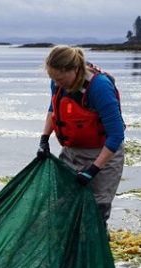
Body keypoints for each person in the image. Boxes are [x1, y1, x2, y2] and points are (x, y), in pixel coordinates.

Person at [37, 45, 125, 236]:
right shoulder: (59, 83)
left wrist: (94, 169)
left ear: (75, 70)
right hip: (71, 152)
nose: (57, 84)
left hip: (104, 155)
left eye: (60, 79)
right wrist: (44, 139)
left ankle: (95, 256)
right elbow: (53, 109)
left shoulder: (99, 87)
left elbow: (116, 135)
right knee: (63, 204)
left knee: (95, 212)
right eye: (53, 80)